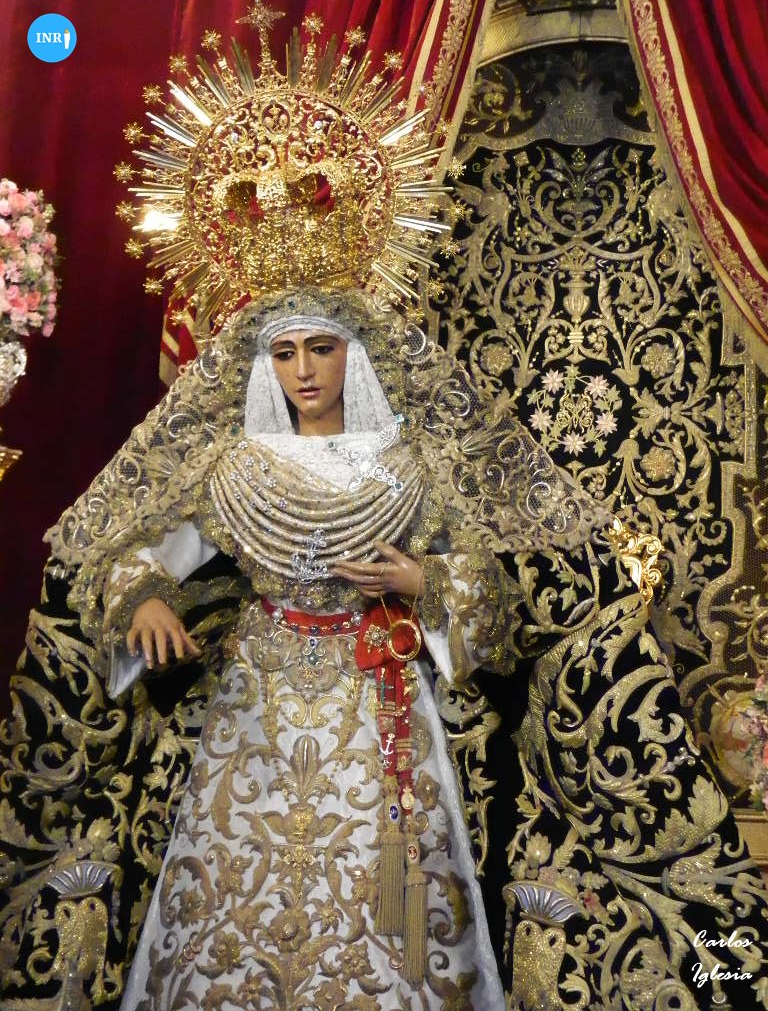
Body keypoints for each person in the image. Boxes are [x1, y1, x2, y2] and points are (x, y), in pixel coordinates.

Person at [2, 285, 767, 1011]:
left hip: (380, 692)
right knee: (232, 869)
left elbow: (484, 583)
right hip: (253, 703)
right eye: (285, 353)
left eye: (322, 348)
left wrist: (421, 580)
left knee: (384, 871)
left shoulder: (406, 467)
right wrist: (144, 598)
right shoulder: (235, 471)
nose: (304, 371)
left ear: (355, 354)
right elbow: (129, 551)